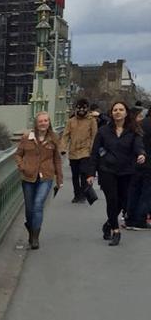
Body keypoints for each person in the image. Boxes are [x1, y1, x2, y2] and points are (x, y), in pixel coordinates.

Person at [86, 100, 147, 246]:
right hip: (107, 170)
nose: (118, 112)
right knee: (112, 200)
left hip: (127, 171)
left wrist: (141, 154)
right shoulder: (103, 131)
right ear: (111, 113)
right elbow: (94, 153)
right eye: (115, 110)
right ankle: (115, 230)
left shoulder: (134, 131)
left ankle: (108, 223)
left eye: (121, 109)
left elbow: (139, 146)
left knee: (123, 201)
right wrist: (90, 173)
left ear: (126, 113)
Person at [14, 111, 63, 249]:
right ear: (36, 123)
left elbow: (57, 159)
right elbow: (18, 155)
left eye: (46, 121)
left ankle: (35, 237)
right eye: (41, 121)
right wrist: (22, 166)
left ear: (49, 123)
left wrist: (59, 178)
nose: (43, 123)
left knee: (37, 205)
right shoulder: (27, 138)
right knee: (29, 208)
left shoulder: (54, 138)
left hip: (46, 176)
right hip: (28, 176)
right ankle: (30, 228)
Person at [60, 98, 97, 202]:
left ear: (87, 108)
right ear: (75, 108)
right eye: (79, 107)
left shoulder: (92, 121)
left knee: (84, 173)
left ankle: (83, 195)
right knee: (75, 175)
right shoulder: (71, 121)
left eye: (84, 108)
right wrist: (63, 148)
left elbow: (95, 136)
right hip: (73, 152)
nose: (81, 110)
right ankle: (77, 195)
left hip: (86, 151)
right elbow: (65, 136)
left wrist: (92, 150)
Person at [124, 105, 151, 230]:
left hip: (135, 162)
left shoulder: (139, 124)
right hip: (149, 165)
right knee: (146, 192)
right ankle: (140, 220)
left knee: (133, 190)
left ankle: (129, 219)